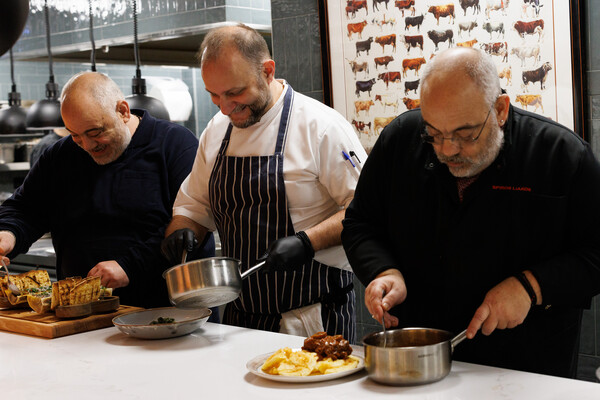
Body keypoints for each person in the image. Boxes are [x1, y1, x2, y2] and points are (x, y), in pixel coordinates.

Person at [341, 47, 600, 378]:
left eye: (466, 135)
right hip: (419, 362)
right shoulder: (400, 141)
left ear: (501, 110)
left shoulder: (560, 155)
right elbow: (360, 223)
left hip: (528, 368)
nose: (448, 150)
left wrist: (531, 286)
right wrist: (383, 271)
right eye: (434, 134)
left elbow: (595, 251)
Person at [161, 24, 366, 341]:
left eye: (235, 93)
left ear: (267, 71)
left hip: (313, 317)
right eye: (214, 95)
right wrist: (183, 228)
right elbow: (194, 205)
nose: (225, 107)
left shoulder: (322, 127)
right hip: (239, 318)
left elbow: (363, 209)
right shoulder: (216, 131)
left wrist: (307, 242)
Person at [0, 71, 215, 309]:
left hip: (166, 312)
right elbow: (25, 209)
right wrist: (9, 233)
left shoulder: (175, 144)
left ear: (123, 111)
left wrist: (129, 265)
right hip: (82, 316)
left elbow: (191, 224)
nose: (88, 146)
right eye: (75, 136)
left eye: (96, 133)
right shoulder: (60, 156)